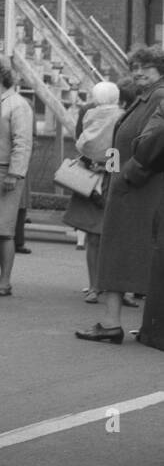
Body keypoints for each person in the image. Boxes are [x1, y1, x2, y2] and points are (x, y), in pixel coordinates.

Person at [78, 47, 164, 344]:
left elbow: (153, 144)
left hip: (140, 192)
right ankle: (129, 324)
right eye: (136, 66)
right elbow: (122, 141)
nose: (139, 71)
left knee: (123, 254)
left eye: (147, 67)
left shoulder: (158, 96)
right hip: (129, 189)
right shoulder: (144, 97)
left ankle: (113, 324)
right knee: (128, 255)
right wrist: (113, 173)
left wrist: (127, 175)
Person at [65, 80, 124, 304]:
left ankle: (94, 286)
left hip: (90, 178)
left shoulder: (87, 113)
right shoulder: (123, 116)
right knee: (111, 236)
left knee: (92, 236)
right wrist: (109, 165)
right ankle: (114, 288)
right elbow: (121, 148)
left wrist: (93, 163)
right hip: (112, 178)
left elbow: (82, 143)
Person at [0, 58, 33, 296]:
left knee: (3, 231)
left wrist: (15, 172)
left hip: (5, 173)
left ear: (1, 75)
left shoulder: (18, 104)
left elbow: (23, 142)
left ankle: (4, 281)